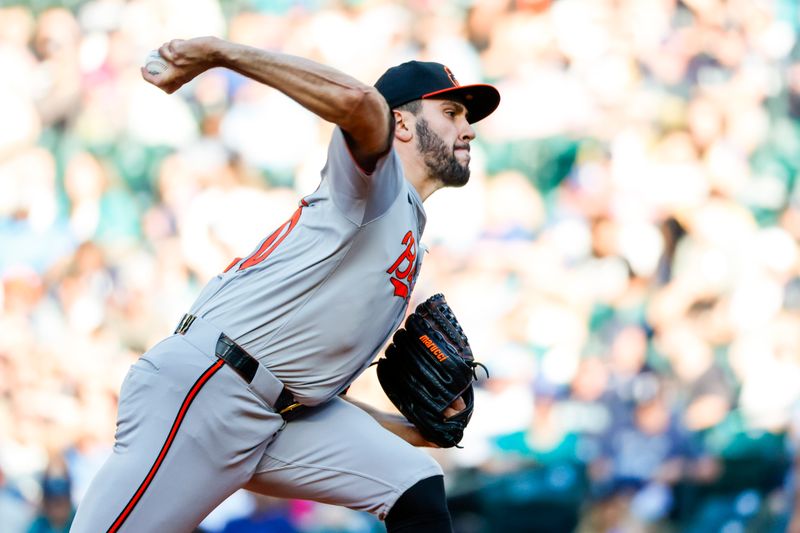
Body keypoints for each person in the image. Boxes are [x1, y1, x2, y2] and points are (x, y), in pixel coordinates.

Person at [69, 36, 499, 533]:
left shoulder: (406, 226)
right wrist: (220, 54)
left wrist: (410, 431)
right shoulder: (376, 186)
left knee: (415, 484)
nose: (468, 129)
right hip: (207, 393)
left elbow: (301, 385)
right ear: (400, 122)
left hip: (274, 414)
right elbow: (360, 103)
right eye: (451, 112)